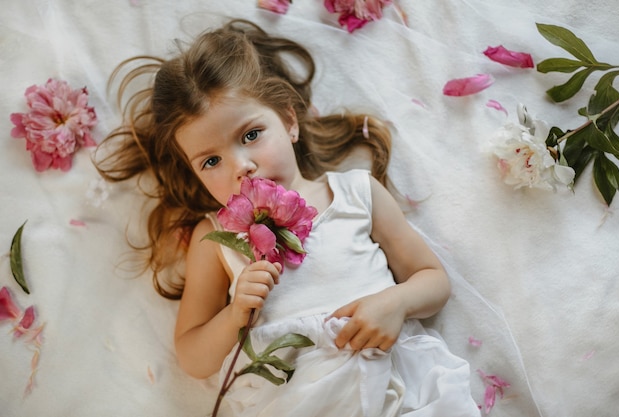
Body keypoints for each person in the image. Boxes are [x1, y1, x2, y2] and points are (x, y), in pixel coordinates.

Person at [95, 19, 479, 417]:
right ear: (194, 174)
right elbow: (193, 356)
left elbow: (433, 280)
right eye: (211, 161)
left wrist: (395, 303)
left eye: (250, 135)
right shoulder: (214, 238)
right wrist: (234, 316)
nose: (240, 166)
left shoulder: (354, 194)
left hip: (394, 383)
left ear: (289, 121)